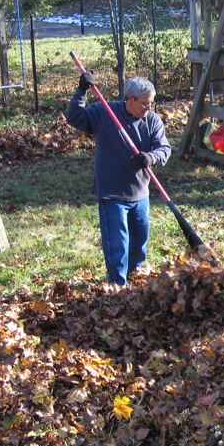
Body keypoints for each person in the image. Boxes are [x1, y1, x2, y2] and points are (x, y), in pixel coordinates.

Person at [66, 72, 171, 286]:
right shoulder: (105, 112)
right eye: (144, 104)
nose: (148, 108)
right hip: (112, 193)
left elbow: (164, 149)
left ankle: (136, 278)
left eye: (151, 104)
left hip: (140, 193)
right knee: (117, 246)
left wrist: (150, 157)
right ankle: (118, 287)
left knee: (139, 243)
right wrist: (81, 91)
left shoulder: (152, 120)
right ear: (130, 99)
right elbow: (75, 117)